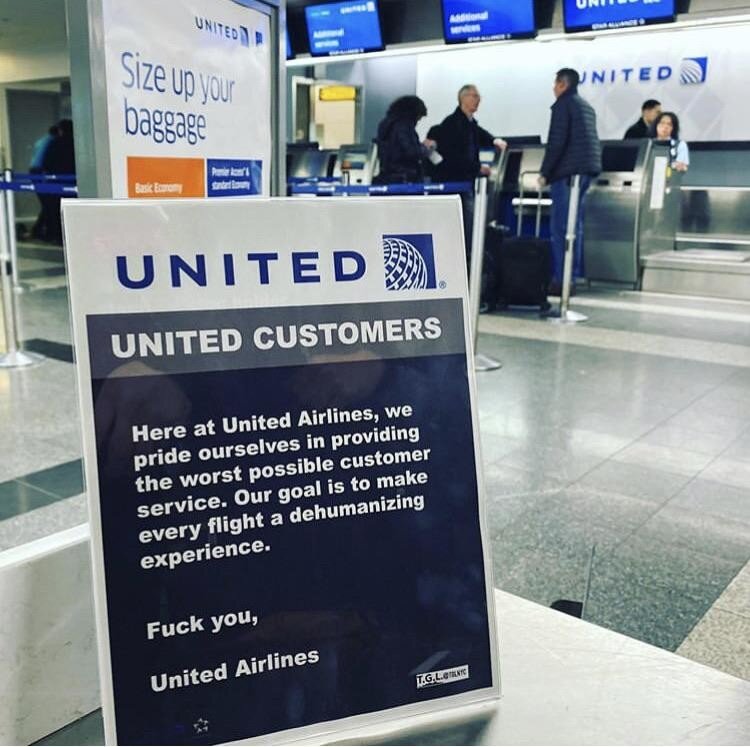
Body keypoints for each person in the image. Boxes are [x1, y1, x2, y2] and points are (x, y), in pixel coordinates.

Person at [539, 68, 602, 294]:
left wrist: (545, 172)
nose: (553, 88)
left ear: (562, 84)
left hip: (568, 174)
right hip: (585, 171)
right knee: (575, 227)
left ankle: (561, 279)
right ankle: (571, 276)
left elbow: (557, 142)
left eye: (555, 84)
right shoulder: (585, 106)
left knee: (561, 227)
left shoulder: (563, 105)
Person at [433, 85, 506, 258]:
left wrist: (494, 140)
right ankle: (461, 258)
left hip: (466, 181)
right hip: (456, 182)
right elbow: (453, 156)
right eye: (474, 96)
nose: (478, 100)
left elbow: (481, 135)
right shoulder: (453, 124)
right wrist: (477, 168)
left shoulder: (469, 123)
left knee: (468, 223)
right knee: (463, 223)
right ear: (463, 98)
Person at [374, 96, 435, 184]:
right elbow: (411, 151)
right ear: (414, 114)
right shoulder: (403, 126)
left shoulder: (387, 124)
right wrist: (426, 147)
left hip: (388, 175)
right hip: (405, 176)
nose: (418, 121)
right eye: (419, 117)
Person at [41, 118, 76, 244]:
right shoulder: (75, 143)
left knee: (55, 210)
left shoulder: (54, 143)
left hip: (56, 182)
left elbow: (46, 163)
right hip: (72, 182)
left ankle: (57, 236)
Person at [29, 125, 58, 241]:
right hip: (41, 172)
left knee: (46, 203)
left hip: (33, 171)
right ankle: (40, 230)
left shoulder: (41, 140)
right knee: (48, 203)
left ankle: (39, 230)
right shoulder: (52, 141)